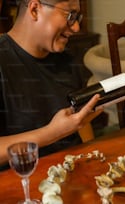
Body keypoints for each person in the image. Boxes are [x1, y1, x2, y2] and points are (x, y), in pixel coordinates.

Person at [0, 0, 103, 168]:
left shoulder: (67, 60)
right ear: (34, 9)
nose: (76, 27)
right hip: (24, 184)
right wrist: (52, 133)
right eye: (70, 15)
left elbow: (81, 124)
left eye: (77, 17)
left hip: (73, 174)